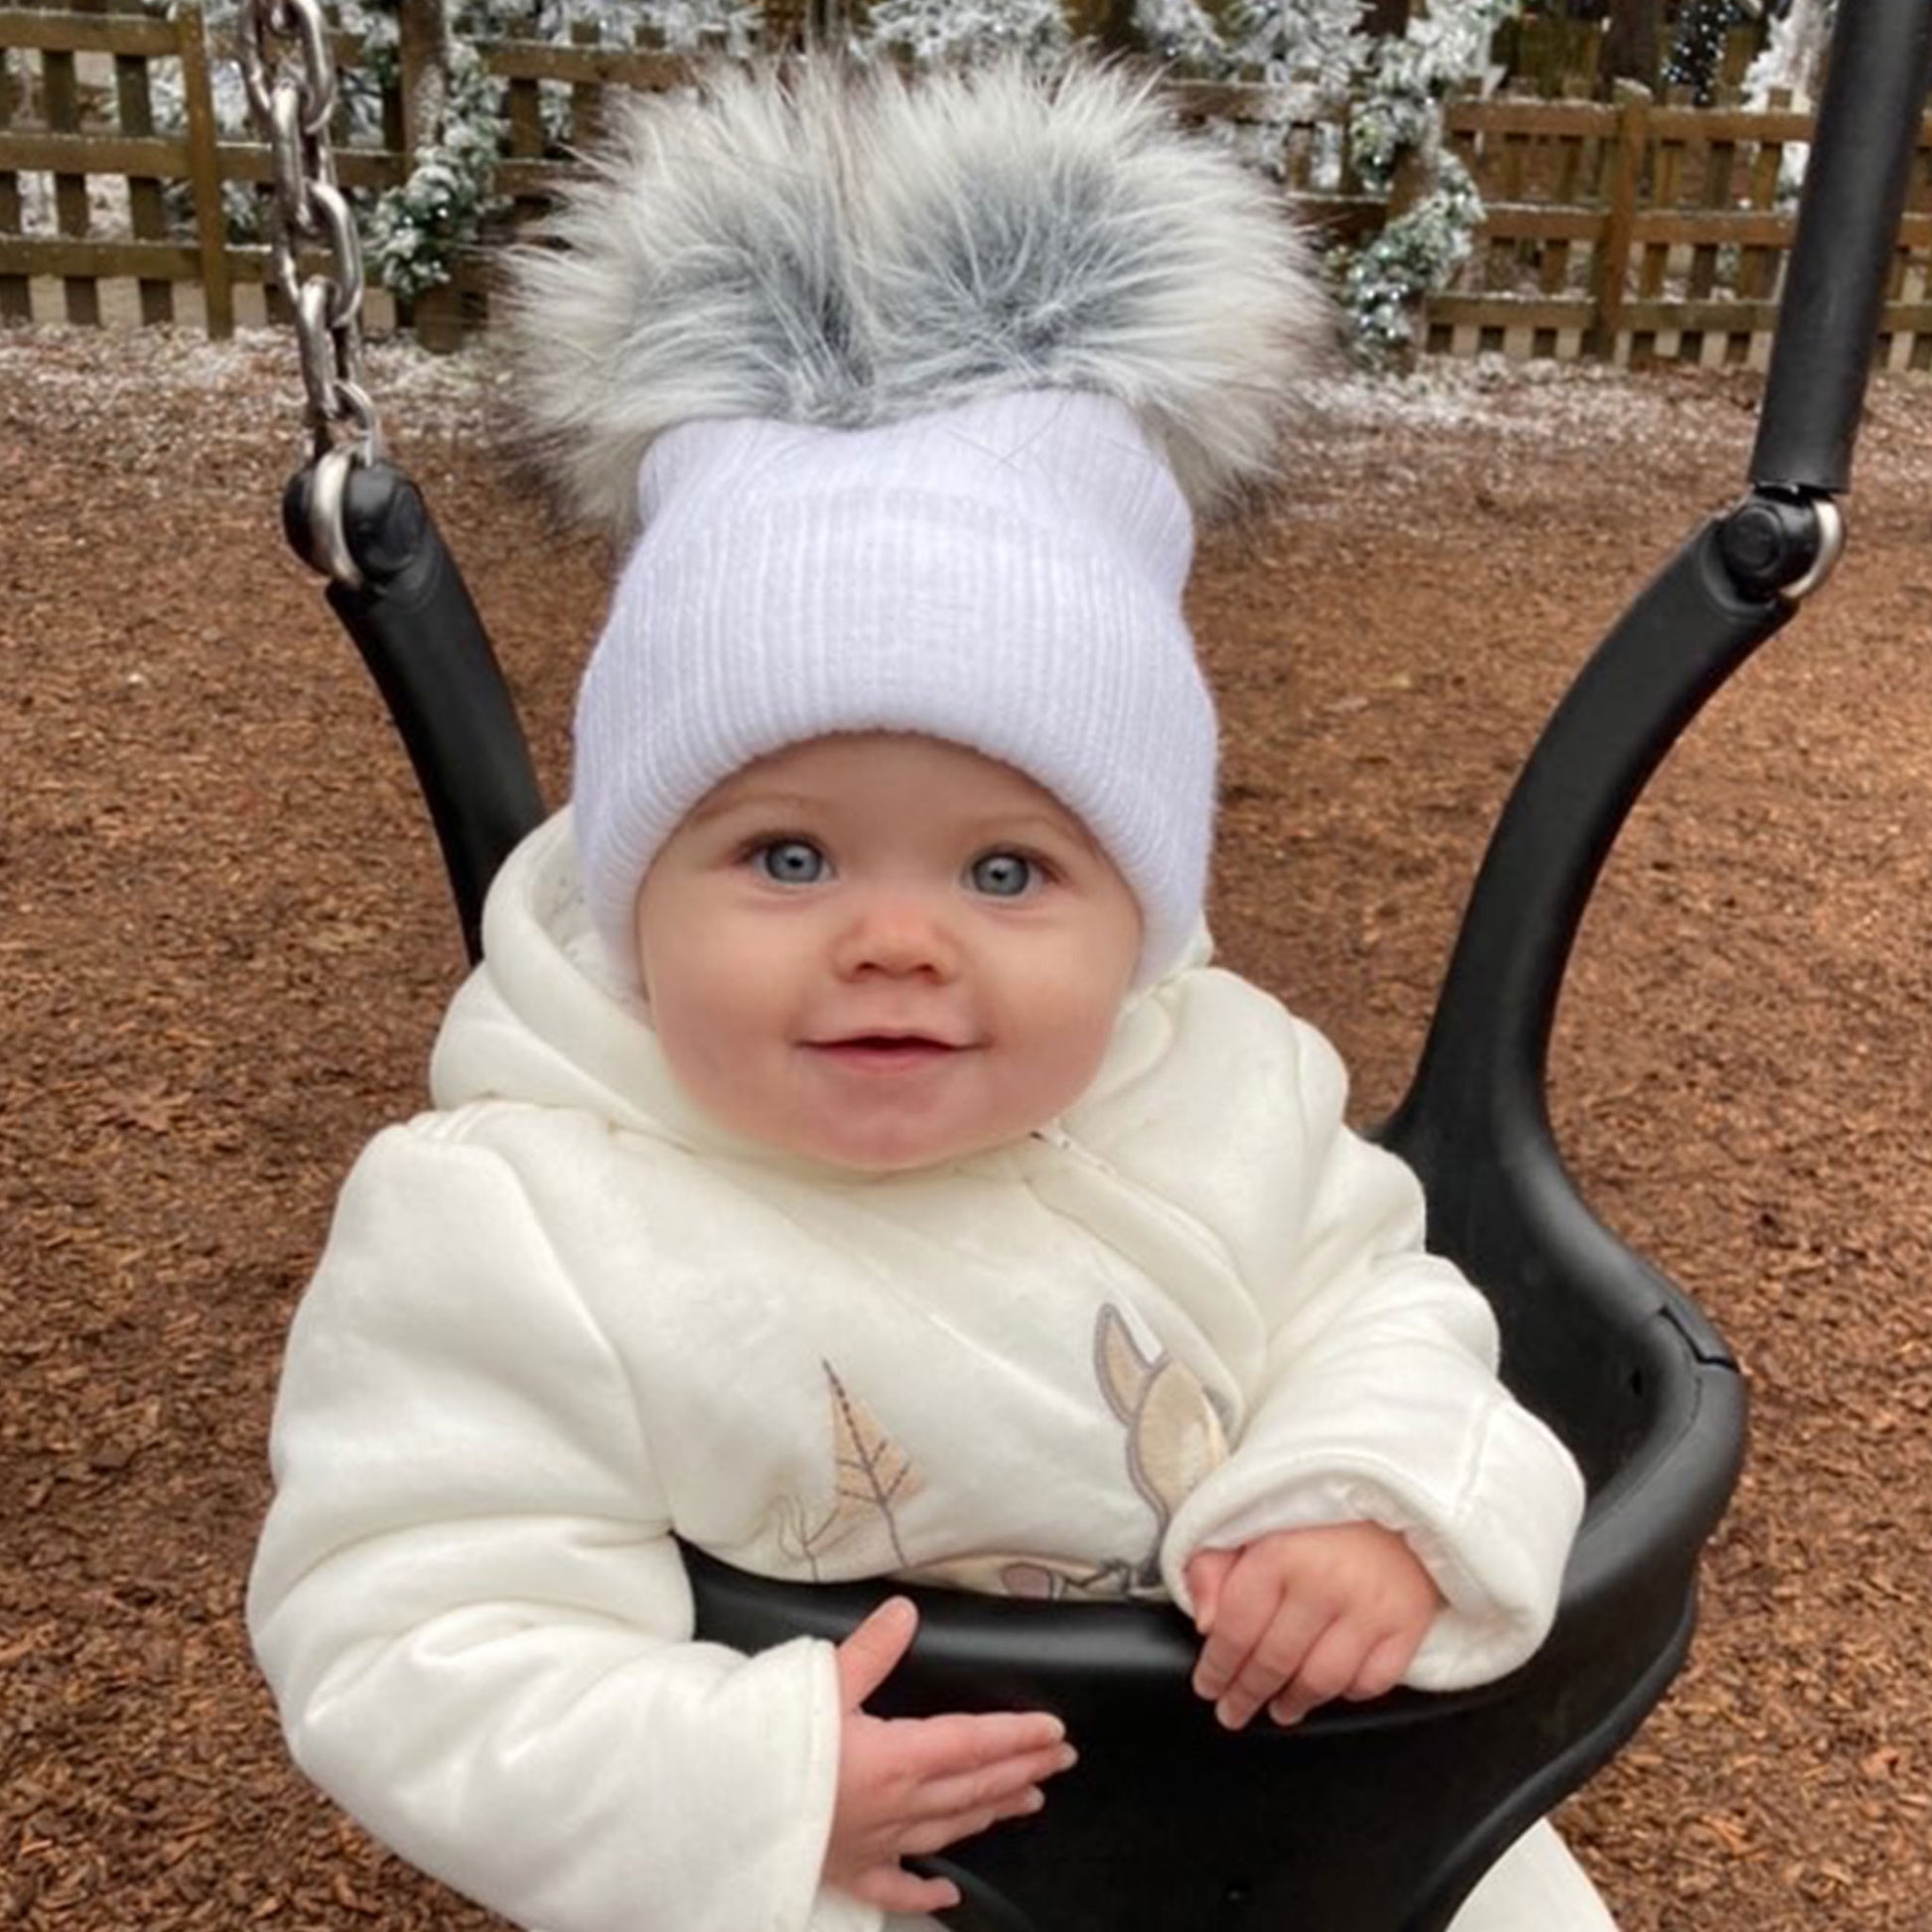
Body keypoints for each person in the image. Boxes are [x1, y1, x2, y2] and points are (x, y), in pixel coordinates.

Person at [247, 55, 1611, 1932]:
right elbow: (406, 1623)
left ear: (1138, 913)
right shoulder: (512, 1218)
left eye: (1006, 870)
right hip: (880, 1858)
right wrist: (753, 1777)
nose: (897, 941)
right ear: (637, 887)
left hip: (1285, 1798)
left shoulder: (1217, 1083)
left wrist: (1367, 1497)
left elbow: (1390, 1309)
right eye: (788, 857)